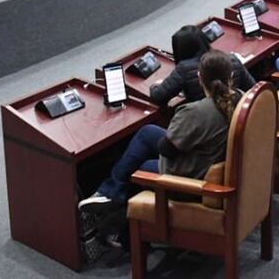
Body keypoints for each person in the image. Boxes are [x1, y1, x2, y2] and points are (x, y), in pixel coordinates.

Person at [78, 51, 244, 231]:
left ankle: (120, 230)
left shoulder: (195, 112)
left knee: (140, 167)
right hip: (212, 164)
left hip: (193, 181)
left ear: (199, 78)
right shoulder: (240, 99)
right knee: (147, 132)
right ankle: (109, 192)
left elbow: (166, 149)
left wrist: (175, 133)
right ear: (231, 76)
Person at [149, 26, 254, 106]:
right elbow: (253, 89)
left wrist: (154, 86)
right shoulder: (232, 59)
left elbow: (158, 97)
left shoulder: (184, 69)